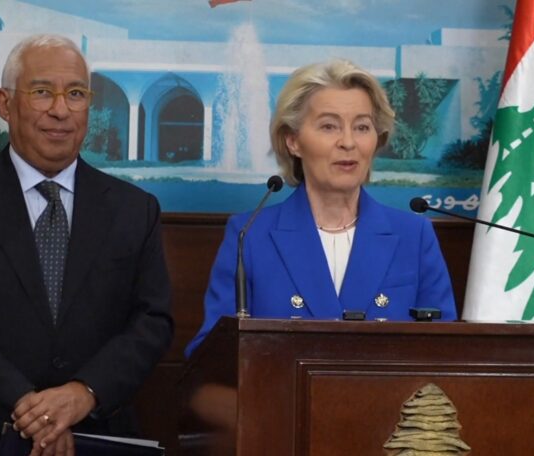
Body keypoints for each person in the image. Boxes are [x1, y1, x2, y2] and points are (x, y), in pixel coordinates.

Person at [0, 34, 173, 455]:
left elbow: (152, 321)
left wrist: (84, 392)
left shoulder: (134, 210)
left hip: (96, 436)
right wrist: (30, 409)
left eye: (76, 94)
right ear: (5, 103)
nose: (61, 110)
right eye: (43, 92)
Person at [186, 59, 456, 356]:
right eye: (329, 126)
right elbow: (210, 358)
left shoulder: (414, 235)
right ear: (293, 141)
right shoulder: (249, 236)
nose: (348, 142)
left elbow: (446, 353)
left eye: (362, 127)